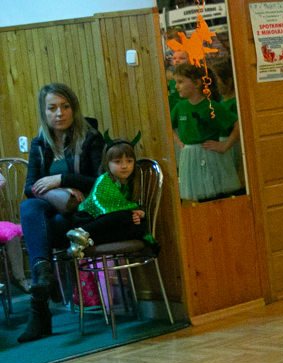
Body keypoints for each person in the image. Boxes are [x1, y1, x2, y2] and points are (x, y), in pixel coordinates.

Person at [18, 83, 104, 343]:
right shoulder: (40, 144)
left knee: (38, 229)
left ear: (73, 108)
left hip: (82, 219)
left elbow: (102, 182)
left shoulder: (90, 138)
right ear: (44, 112)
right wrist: (59, 190)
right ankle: (44, 274)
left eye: (65, 107)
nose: (59, 113)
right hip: (53, 219)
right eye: (52, 108)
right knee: (30, 207)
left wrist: (61, 179)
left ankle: (40, 313)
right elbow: (29, 188)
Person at [65, 136, 155, 258]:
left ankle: (85, 242)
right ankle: (81, 232)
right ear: (107, 163)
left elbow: (126, 206)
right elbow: (104, 208)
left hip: (108, 225)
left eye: (129, 161)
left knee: (137, 229)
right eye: (118, 162)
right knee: (124, 216)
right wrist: (130, 213)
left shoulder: (131, 182)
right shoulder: (104, 180)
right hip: (89, 220)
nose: (124, 166)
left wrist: (139, 214)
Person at [171, 63, 241, 201]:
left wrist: (225, 145)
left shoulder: (212, 106)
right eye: (176, 82)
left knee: (217, 196)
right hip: (190, 156)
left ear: (197, 83)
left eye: (180, 82)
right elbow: (169, 126)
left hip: (211, 156)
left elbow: (237, 125)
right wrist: (179, 142)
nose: (176, 86)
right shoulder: (180, 106)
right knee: (200, 198)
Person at [211, 57, 244, 185]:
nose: (215, 85)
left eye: (217, 80)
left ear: (228, 80)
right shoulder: (221, 100)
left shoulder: (235, 102)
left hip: (232, 144)